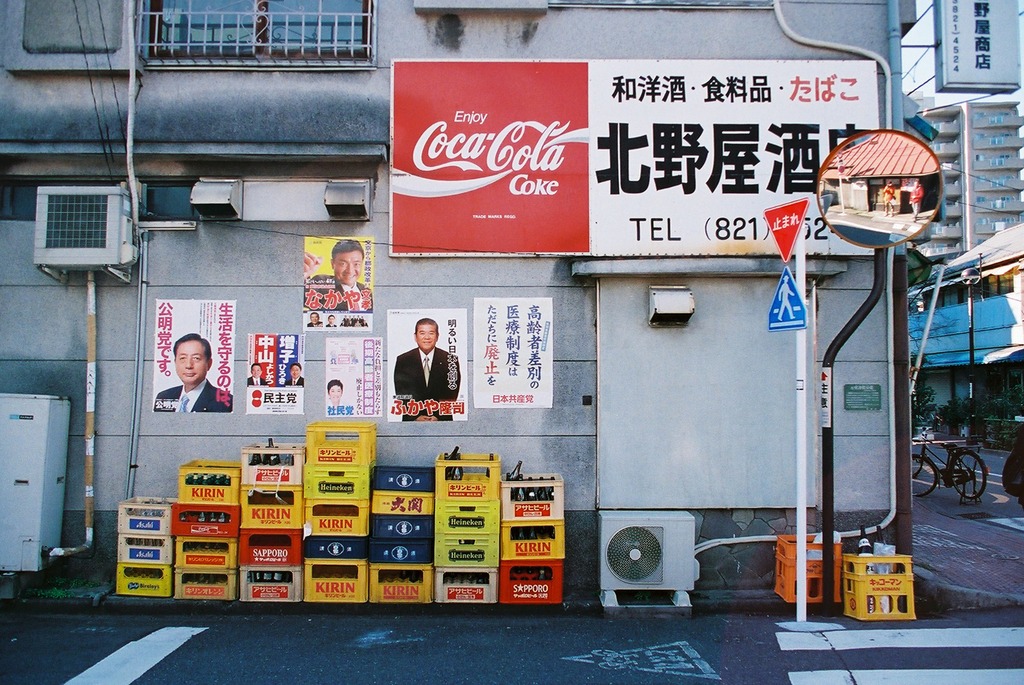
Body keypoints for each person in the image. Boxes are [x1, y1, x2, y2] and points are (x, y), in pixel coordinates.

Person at [393, 317, 461, 421]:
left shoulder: (450, 360)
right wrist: (416, 416)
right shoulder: (403, 360)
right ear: (415, 337)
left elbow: (452, 392)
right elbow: (402, 393)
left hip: (442, 420)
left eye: (431, 333)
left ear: (437, 336)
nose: (427, 337)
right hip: (412, 420)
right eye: (422, 333)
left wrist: (437, 416)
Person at [154, 333, 232, 412]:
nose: (188, 365)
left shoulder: (225, 402)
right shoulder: (164, 397)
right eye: (183, 358)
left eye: (196, 358)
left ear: (209, 363)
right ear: (175, 362)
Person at [304, 239, 373, 312]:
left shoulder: (366, 291)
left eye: (356, 264)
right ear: (333, 264)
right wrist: (303, 275)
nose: (350, 271)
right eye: (343, 264)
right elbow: (302, 296)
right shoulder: (322, 282)